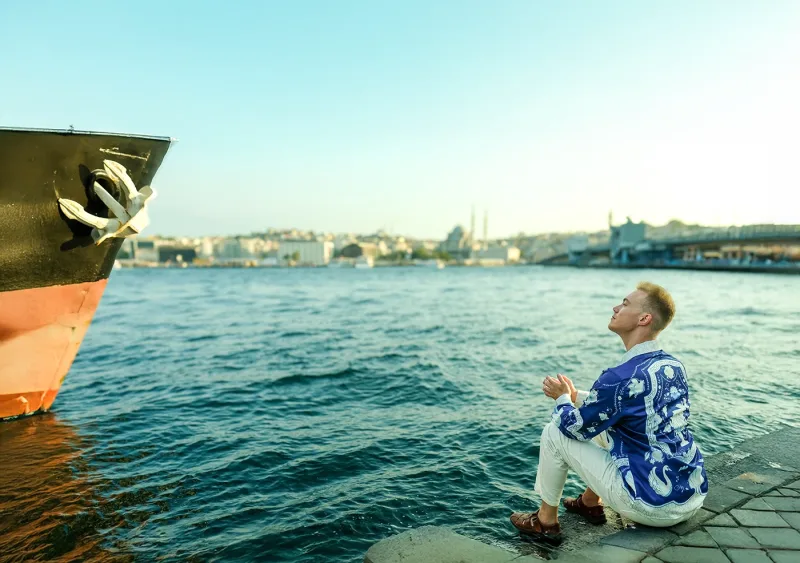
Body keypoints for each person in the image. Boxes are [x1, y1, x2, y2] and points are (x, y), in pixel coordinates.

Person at [510, 282, 707, 544]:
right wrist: (575, 397)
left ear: (644, 319)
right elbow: (624, 405)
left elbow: (573, 427)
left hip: (650, 507)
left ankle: (545, 522)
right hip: (691, 497)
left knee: (554, 432)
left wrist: (562, 399)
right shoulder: (672, 366)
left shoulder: (619, 377)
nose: (615, 308)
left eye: (624, 304)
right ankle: (589, 502)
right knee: (614, 426)